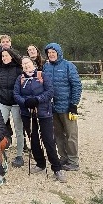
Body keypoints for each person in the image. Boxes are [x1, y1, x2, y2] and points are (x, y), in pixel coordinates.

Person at [14, 57, 66, 182]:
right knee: (33, 140)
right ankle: (40, 163)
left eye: (28, 63)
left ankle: (57, 168)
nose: (26, 65)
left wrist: (37, 100)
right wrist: (25, 102)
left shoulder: (42, 75)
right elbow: (16, 94)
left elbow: (50, 91)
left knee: (48, 140)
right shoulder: (20, 78)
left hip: (44, 113)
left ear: (33, 64)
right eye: (23, 64)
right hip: (27, 113)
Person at [43, 42, 82, 171]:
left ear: (58, 53)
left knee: (71, 135)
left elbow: (76, 85)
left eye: (53, 52)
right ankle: (63, 157)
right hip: (53, 108)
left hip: (67, 107)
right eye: (49, 53)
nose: (51, 55)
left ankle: (73, 161)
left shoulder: (68, 66)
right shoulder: (46, 67)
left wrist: (73, 104)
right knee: (58, 135)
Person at [0, 47, 25, 167]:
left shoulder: (18, 70)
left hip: (16, 104)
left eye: (6, 55)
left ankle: (19, 155)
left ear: (11, 56)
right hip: (3, 103)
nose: (4, 58)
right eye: (2, 56)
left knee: (19, 130)